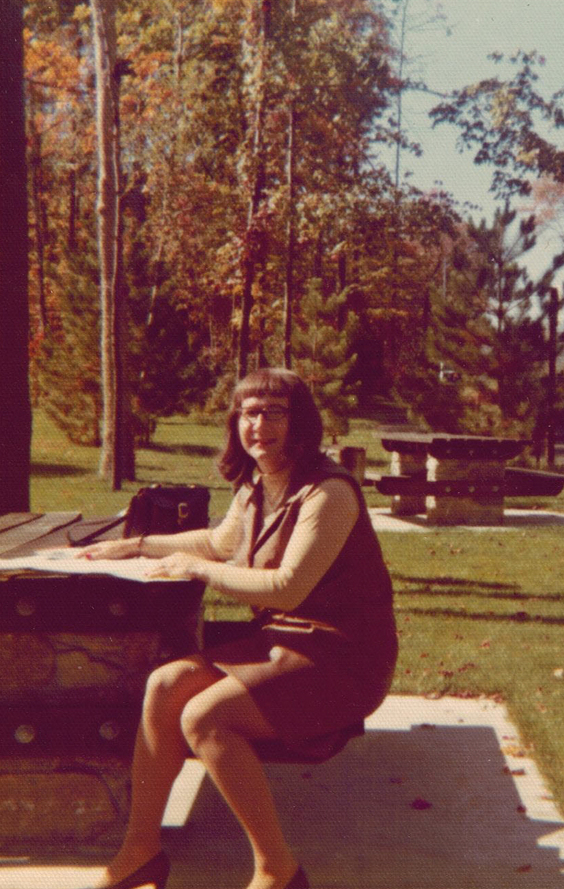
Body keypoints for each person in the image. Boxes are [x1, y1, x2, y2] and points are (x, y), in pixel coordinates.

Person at [79, 368, 397, 889]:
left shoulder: (328, 492)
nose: (259, 425)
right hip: (284, 643)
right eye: (249, 413)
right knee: (165, 684)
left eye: (274, 413)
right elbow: (219, 542)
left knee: (206, 716)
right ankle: (140, 851)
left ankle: (277, 870)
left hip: (343, 659)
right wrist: (134, 545)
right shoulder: (256, 483)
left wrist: (196, 570)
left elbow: (286, 588)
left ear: (300, 423)